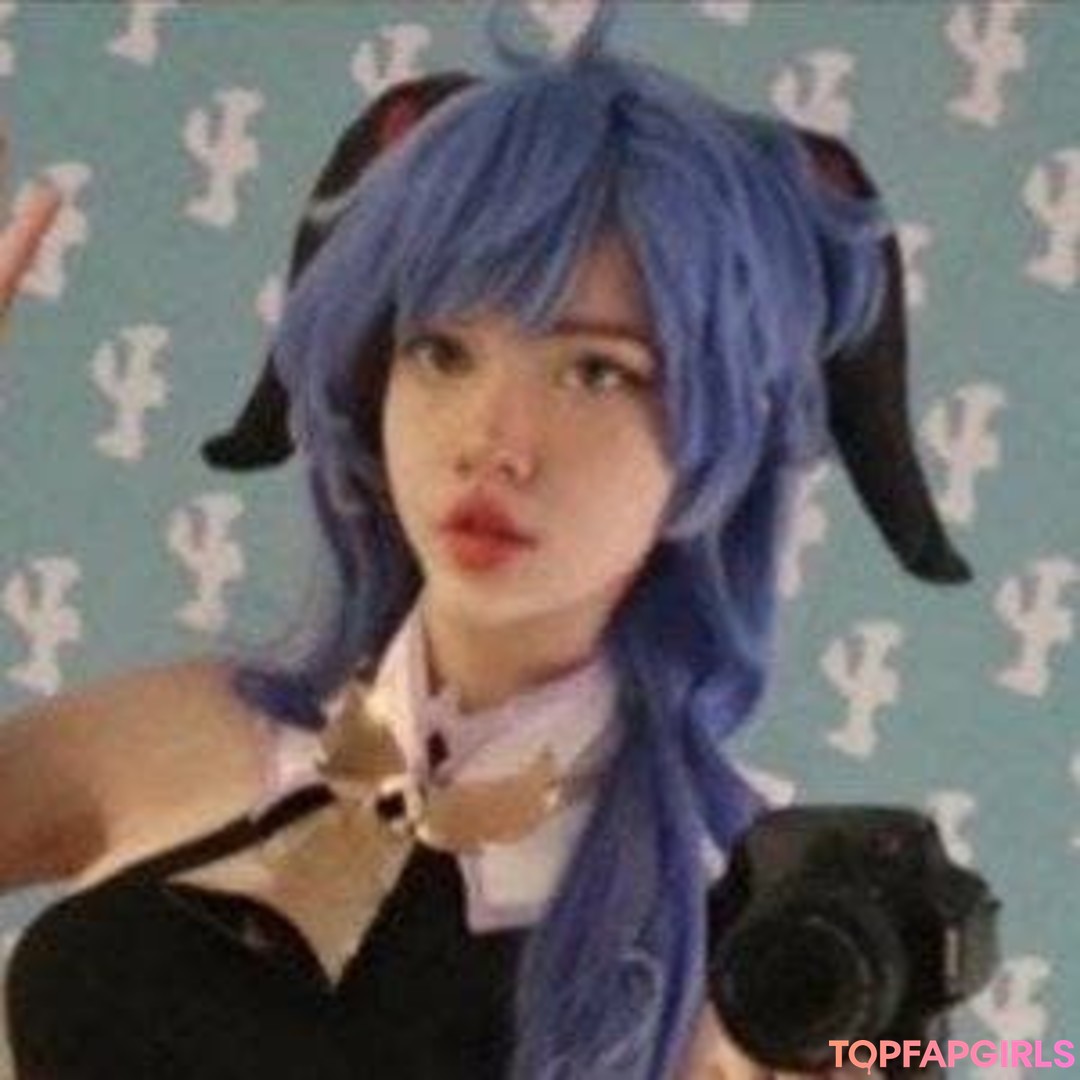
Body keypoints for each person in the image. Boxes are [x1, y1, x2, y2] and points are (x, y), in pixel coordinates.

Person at [0, 9, 969, 1079]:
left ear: (723, 432)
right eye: (443, 352)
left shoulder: (753, 946)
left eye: (597, 370)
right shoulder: (183, 734)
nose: (492, 442)